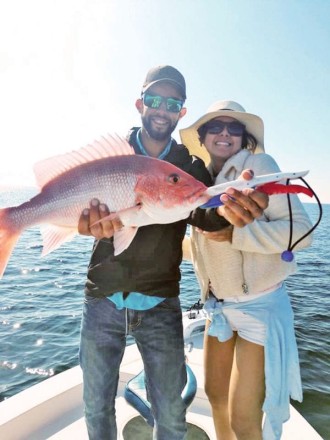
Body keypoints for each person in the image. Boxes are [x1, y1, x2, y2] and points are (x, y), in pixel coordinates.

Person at [77, 67, 268, 440]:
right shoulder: (113, 156)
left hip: (161, 303)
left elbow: (207, 215)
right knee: (95, 406)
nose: (161, 109)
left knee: (171, 412)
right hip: (102, 297)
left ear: (181, 111)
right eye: (154, 100)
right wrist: (80, 224)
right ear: (140, 104)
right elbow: (78, 209)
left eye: (172, 103)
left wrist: (233, 209)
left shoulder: (190, 166)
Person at [180, 100, 313, 440]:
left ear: (244, 137)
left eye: (234, 128)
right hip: (217, 308)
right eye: (216, 127)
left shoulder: (260, 165)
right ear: (203, 135)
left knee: (243, 418)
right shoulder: (197, 182)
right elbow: (201, 245)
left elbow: (301, 232)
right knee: (214, 397)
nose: (224, 133)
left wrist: (237, 234)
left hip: (260, 308)